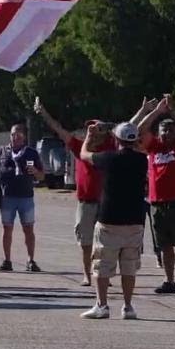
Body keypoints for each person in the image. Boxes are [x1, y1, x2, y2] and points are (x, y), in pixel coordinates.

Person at [35, 97, 112, 287]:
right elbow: (59, 130)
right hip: (85, 202)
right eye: (89, 129)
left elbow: (131, 127)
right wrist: (43, 112)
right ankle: (87, 275)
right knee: (86, 242)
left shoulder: (109, 147)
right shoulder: (80, 147)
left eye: (96, 128)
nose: (91, 131)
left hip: (104, 202)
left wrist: (144, 111)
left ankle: (104, 276)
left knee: (105, 243)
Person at [78, 122, 148, 320]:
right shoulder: (142, 160)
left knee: (102, 264)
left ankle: (102, 305)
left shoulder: (108, 158)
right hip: (135, 219)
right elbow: (141, 147)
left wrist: (89, 137)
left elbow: (84, 154)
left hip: (109, 219)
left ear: (117, 139)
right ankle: (127, 306)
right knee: (129, 266)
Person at [135, 95, 175, 295]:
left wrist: (174, 112)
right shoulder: (153, 147)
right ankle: (169, 281)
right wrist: (156, 112)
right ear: (159, 132)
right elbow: (139, 131)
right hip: (157, 204)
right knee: (164, 246)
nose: (167, 133)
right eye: (164, 129)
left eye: (171, 130)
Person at [0, 123, 43, 273]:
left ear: (24, 137)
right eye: (13, 134)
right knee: (7, 229)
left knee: (28, 229)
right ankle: (7, 260)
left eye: (19, 135)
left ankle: (31, 260)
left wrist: (35, 172)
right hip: (7, 196)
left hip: (26, 196)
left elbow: (42, 175)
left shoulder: (31, 153)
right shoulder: (3, 150)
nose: (15, 138)